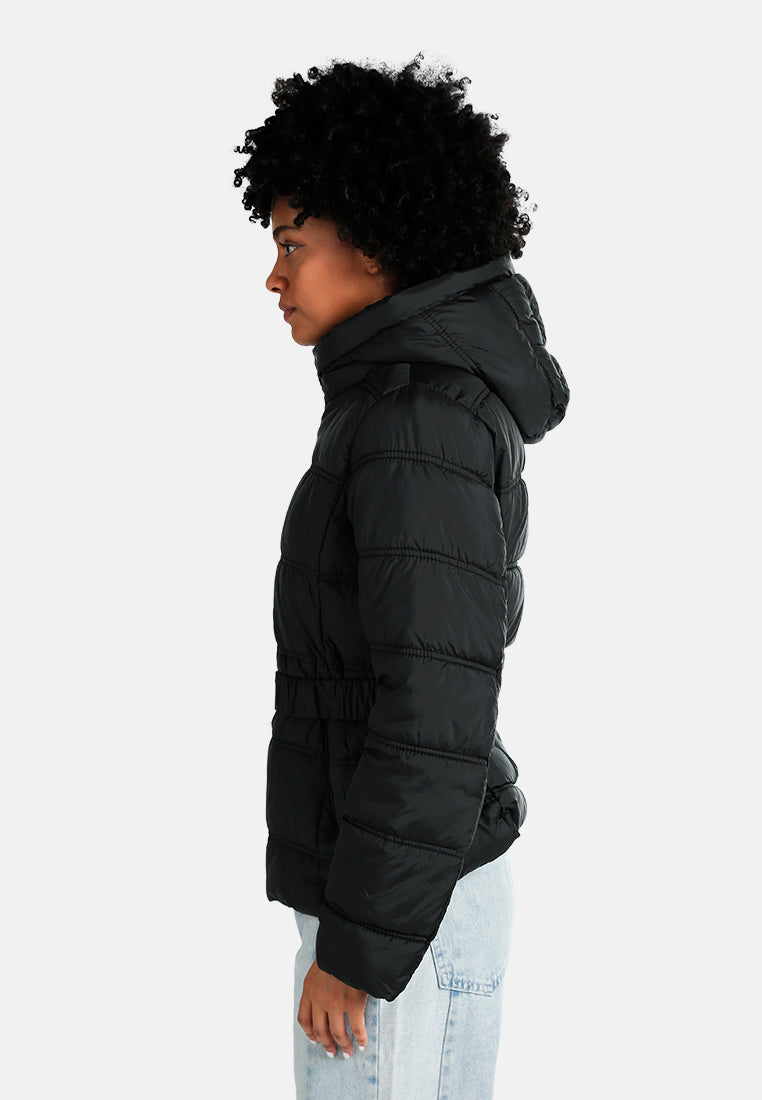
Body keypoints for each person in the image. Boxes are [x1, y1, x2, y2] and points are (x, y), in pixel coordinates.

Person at [232, 52, 570, 1099]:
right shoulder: (410, 405)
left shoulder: (413, 419)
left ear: (375, 246)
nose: (274, 276)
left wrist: (358, 946)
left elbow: (432, 703)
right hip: (422, 878)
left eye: (293, 243)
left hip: (397, 904)